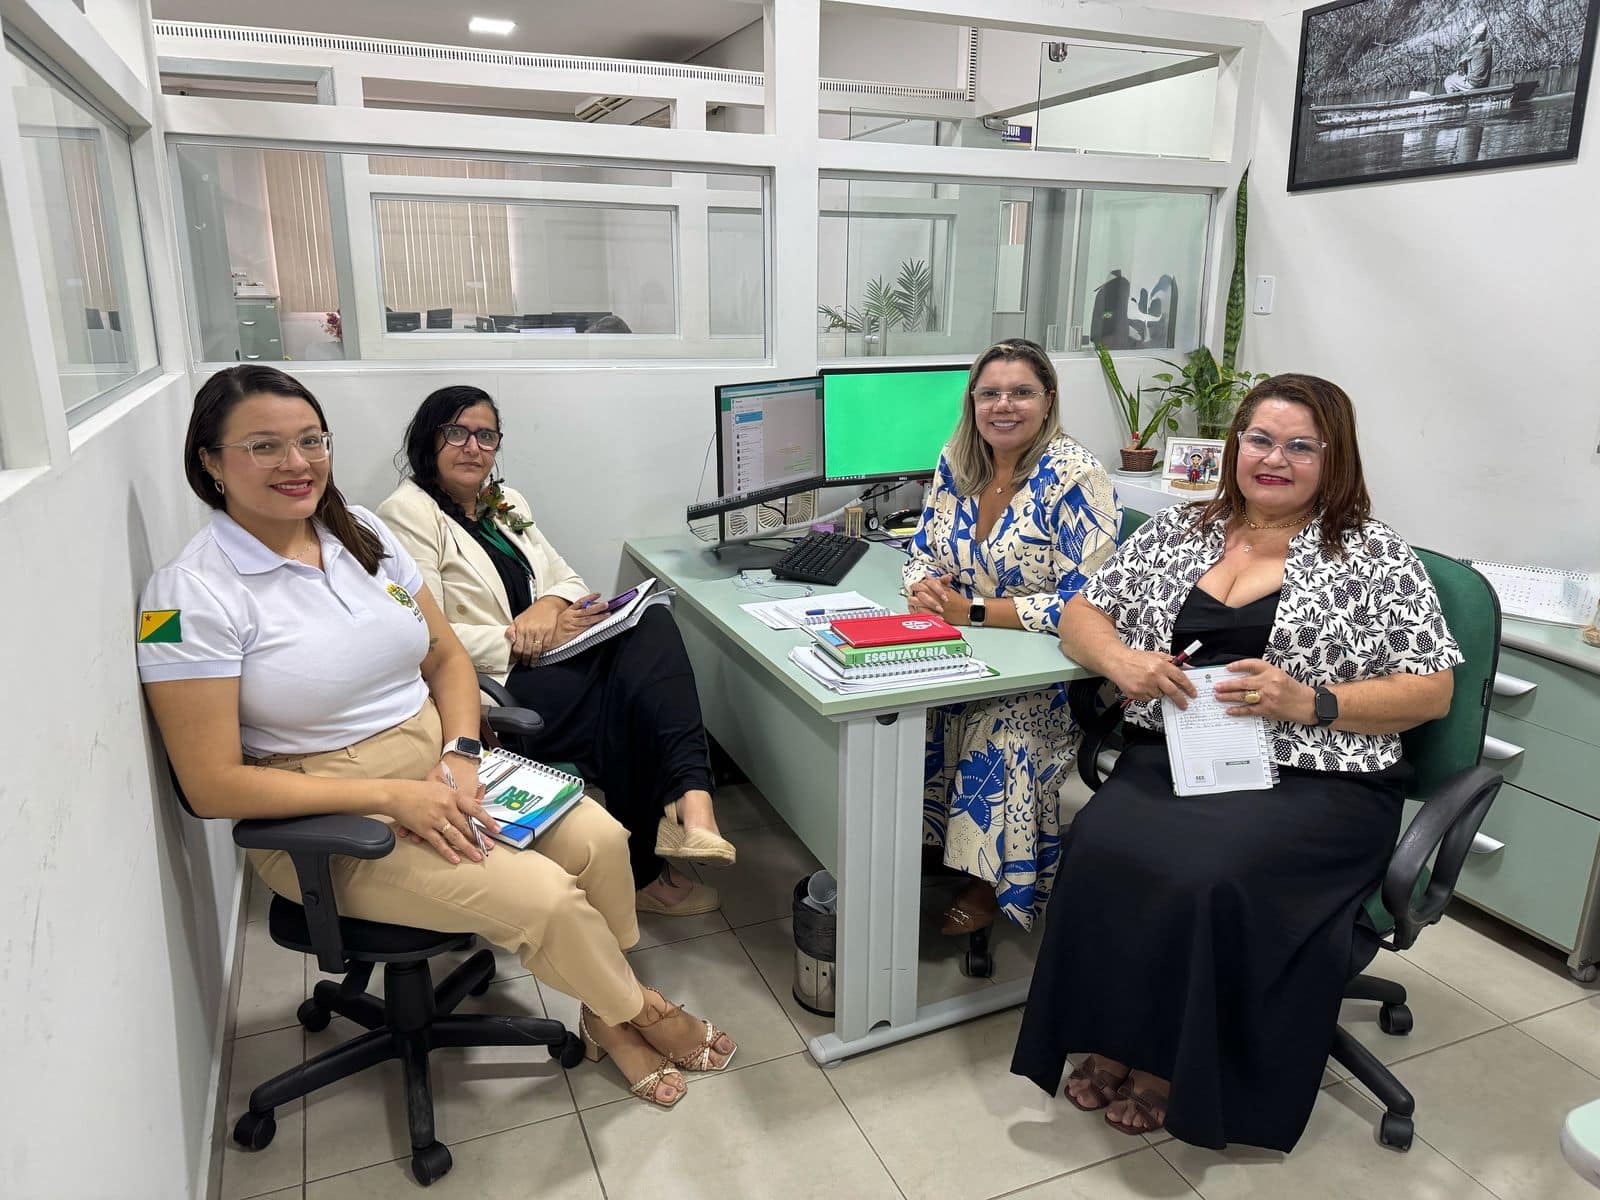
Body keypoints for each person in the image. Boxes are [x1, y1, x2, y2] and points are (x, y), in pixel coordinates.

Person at [138, 365, 736, 1108]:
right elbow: (209, 784)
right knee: (549, 900)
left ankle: (602, 1008)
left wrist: (461, 752)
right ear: (210, 462)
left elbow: (447, 657)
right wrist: (397, 796)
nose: (297, 463)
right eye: (264, 446)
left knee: (604, 841)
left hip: (443, 763)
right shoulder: (188, 594)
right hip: (332, 810)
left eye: (311, 440)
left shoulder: (359, 533)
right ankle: (639, 1014)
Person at [1011, 374, 1461, 1150]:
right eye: (1260, 440)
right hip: (1184, 754)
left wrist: (1311, 700)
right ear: (1235, 447)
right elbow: (1082, 614)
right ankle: (1112, 1038)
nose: (1274, 459)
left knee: (1207, 874)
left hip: (1320, 777)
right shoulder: (1179, 530)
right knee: (1096, 847)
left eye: (1300, 446)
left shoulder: (1374, 555)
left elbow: (1433, 690)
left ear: (1335, 458)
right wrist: (1121, 660)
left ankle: (1170, 1066)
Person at [377, 385, 734, 920]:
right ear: (429, 440)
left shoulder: (505, 502)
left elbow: (568, 579)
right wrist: (521, 637)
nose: (473, 447)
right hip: (491, 681)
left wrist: (546, 608)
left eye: (486, 436)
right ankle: (675, 822)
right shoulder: (407, 514)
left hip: (548, 659)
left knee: (652, 622)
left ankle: (686, 806)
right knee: (630, 700)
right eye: (457, 433)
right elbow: (426, 632)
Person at [903, 339, 1120, 936]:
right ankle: (924, 843)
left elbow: (1085, 605)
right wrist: (921, 586)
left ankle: (988, 881)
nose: (1004, 406)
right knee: (897, 706)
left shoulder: (1076, 477)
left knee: (997, 726)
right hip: (968, 648)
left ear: (1048, 400)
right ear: (972, 401)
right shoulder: (957, 460)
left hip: (1054, 674)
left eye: (1021, 392)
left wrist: (971, 611)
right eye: (990, 393)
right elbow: (920, 549)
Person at [1444, 20, 1492, 93]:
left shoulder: (1474, 49)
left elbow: (1459, 63)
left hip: (1474, 84)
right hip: (1485, 84)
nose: (1471, 38)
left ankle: (1453, 99)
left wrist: (1471, 44)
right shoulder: (1489, 47)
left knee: (1448, 80)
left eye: (1472, 36)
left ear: (1476, 36)